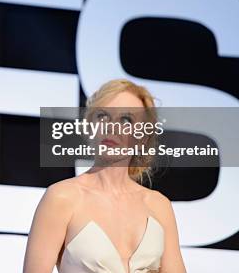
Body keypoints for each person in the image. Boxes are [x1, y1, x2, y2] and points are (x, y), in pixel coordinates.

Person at [23, 79, 186, 273]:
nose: (112, 127)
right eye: (103, 116)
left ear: (142, 137)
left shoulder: (159, 206)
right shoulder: (62, 197)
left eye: (126, 120)